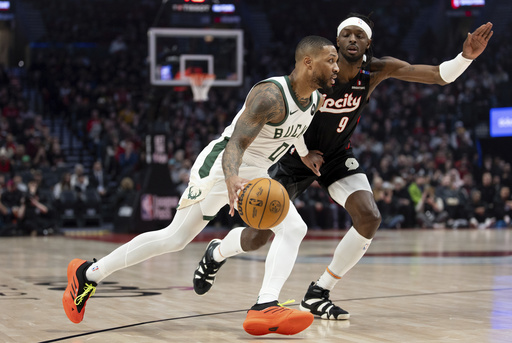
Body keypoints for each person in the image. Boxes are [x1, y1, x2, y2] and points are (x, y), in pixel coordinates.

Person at [194, 14, 493, 320]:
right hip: (297, 155)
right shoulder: (320, 74)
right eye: (346, 35)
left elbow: (437, 74)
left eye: (359, 35)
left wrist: (465, 57)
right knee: (258, 235)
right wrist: (306, 150)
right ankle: (217, 251)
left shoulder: (375, 71)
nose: (352, 39)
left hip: (337, 155)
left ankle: (319, 292)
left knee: (369, 216)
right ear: (336, 43)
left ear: (368, 43)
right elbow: (292, 113)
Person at [62, 35, 339, 336]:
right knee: (174, 238)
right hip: (222, 167)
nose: (337, 67)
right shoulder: (270, 95)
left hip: (256, 172)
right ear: (308, 62)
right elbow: (235, 143)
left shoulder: (315, 98)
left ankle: (264, 305)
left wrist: (303, 152)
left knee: (295, 228)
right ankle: (87, 273)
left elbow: (293, 129)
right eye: (331, 60)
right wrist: (232, 177)